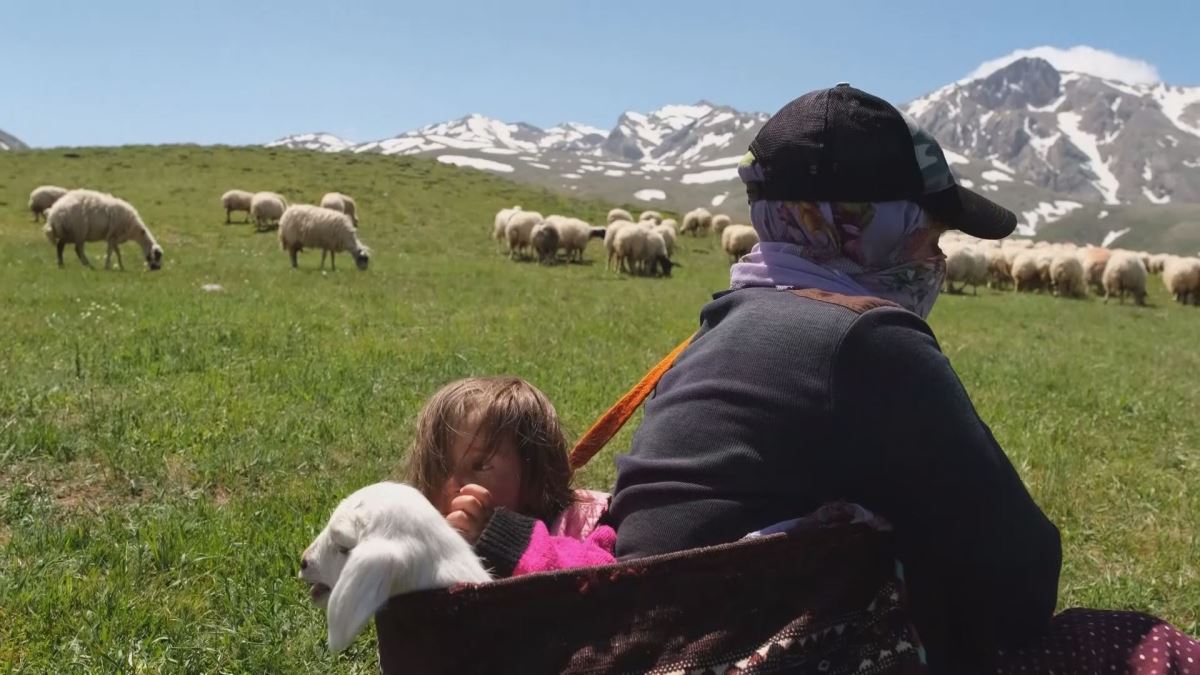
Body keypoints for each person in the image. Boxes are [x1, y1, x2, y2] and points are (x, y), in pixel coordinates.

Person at [608, 84, 1199, 673]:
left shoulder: (723, 321)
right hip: (757, 652)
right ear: (864, 225)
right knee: (1141, 646)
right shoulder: (864, 340)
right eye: (928, 234)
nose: (935, 261)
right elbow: (1021, 582)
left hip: (666, 640)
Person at [405, 376, 615, 577]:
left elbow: (604, 580)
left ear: (534, 470)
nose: (453, 485)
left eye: (480, 465)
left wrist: (503, 537)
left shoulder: (581, 522)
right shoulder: (422, 545)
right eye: (440, 467)